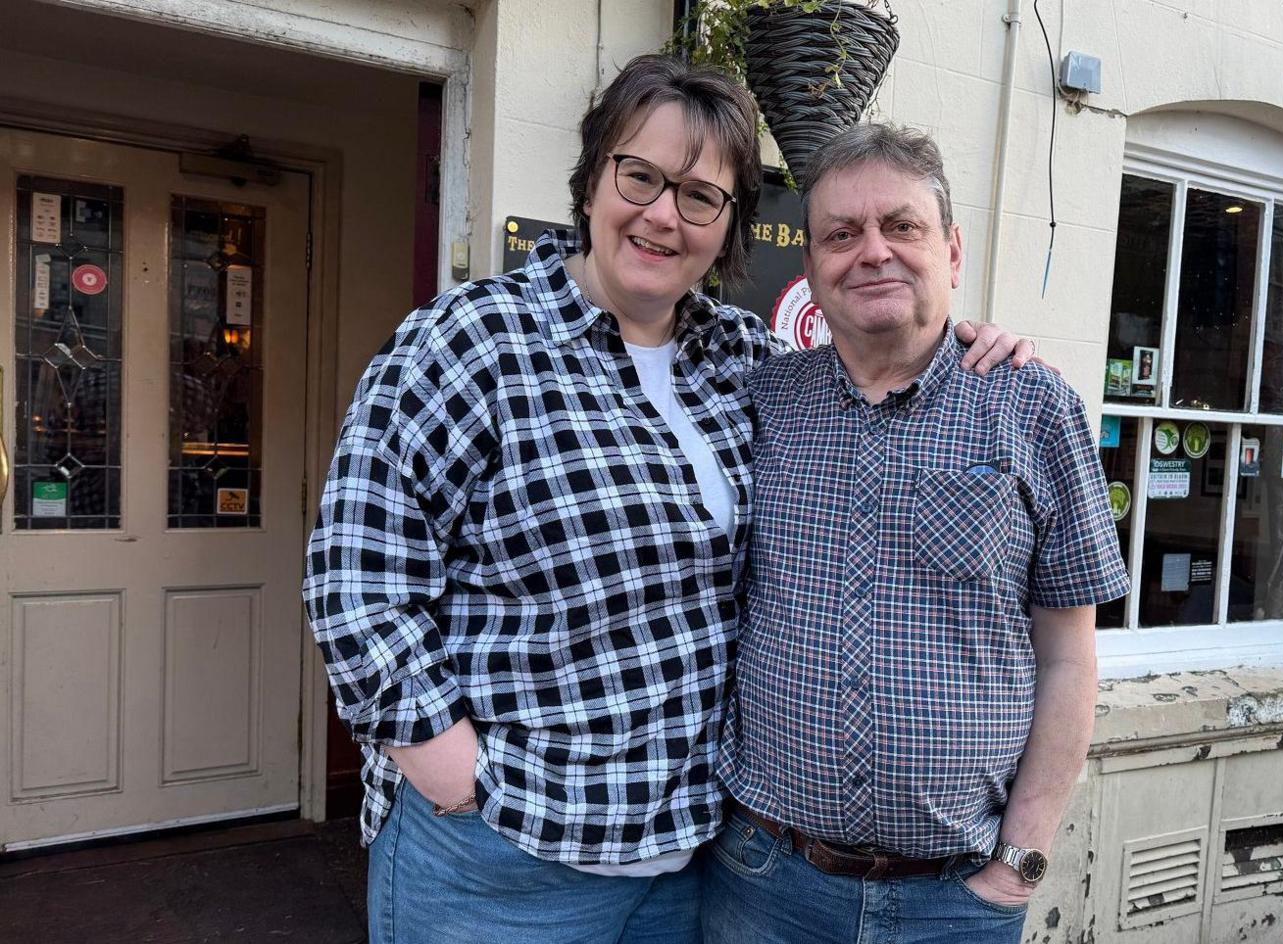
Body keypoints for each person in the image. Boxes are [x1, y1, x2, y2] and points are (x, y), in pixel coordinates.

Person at [302, 56, 1033, 944]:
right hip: (503, 865)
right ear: (592, 179)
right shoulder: (472, 341)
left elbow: (877, 361)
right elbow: (356, 582)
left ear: (727, 226)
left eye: (698, 195)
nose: (661, 214)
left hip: (691, 864)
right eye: (639, 175)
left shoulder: (746, 361)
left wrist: (967, 341)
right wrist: (460, 777)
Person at [703, 123, 1129, 944]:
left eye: (901, 226)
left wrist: (1018, 866)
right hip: (763, 883)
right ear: (813, 272)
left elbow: (1070, 656)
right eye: (841, 234)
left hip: (953, 905)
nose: (872, 252)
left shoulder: (1034, 409)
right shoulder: (757, 403)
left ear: (952, 251)